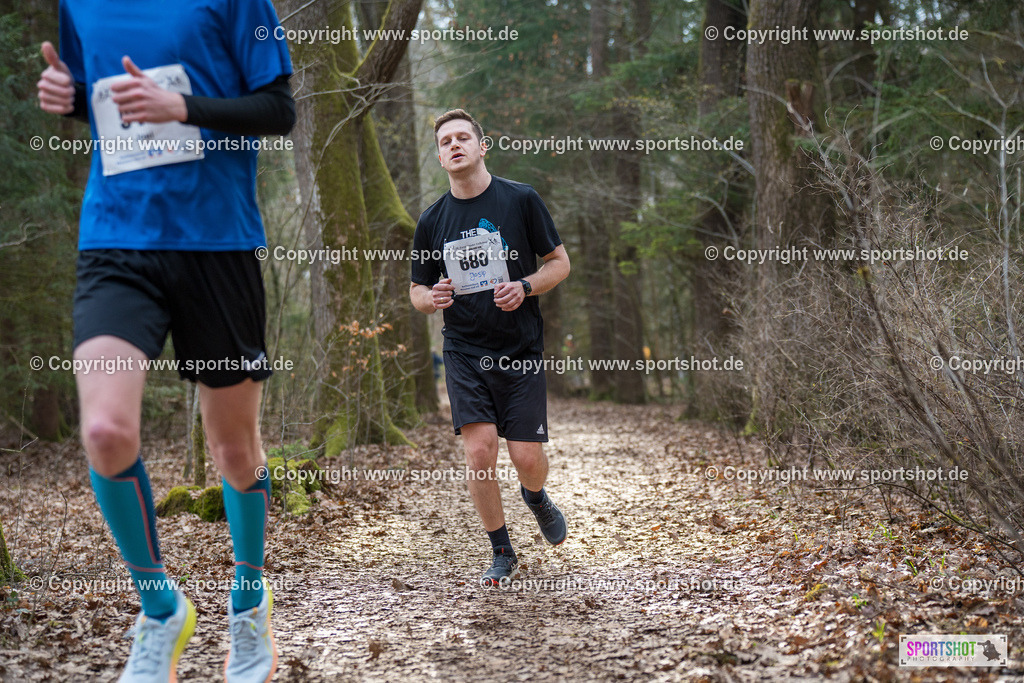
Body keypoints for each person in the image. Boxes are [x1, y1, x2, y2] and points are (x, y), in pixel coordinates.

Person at [36, 1, 294, 680]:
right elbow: (99, 99)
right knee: (104, 429)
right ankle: (160, 609)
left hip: (218, 242)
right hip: (117, 239)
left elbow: (278, 110)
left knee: (234, 449)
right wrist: (67, 100)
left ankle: (247, 600)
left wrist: (185, 109)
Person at [410, 109, 570, 586]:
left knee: (525, 457)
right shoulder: (431, 220)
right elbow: (418, 292)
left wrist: (524, 285)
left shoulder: (520, 200)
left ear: (483, 147)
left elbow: (559, 263)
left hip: (519, 348)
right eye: (446, 141)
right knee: (479, 453)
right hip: (463, 351)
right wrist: (431, 298)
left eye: (464, 137)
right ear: (440, 156)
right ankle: (502, 549)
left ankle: (536, 497)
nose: (455, 145)